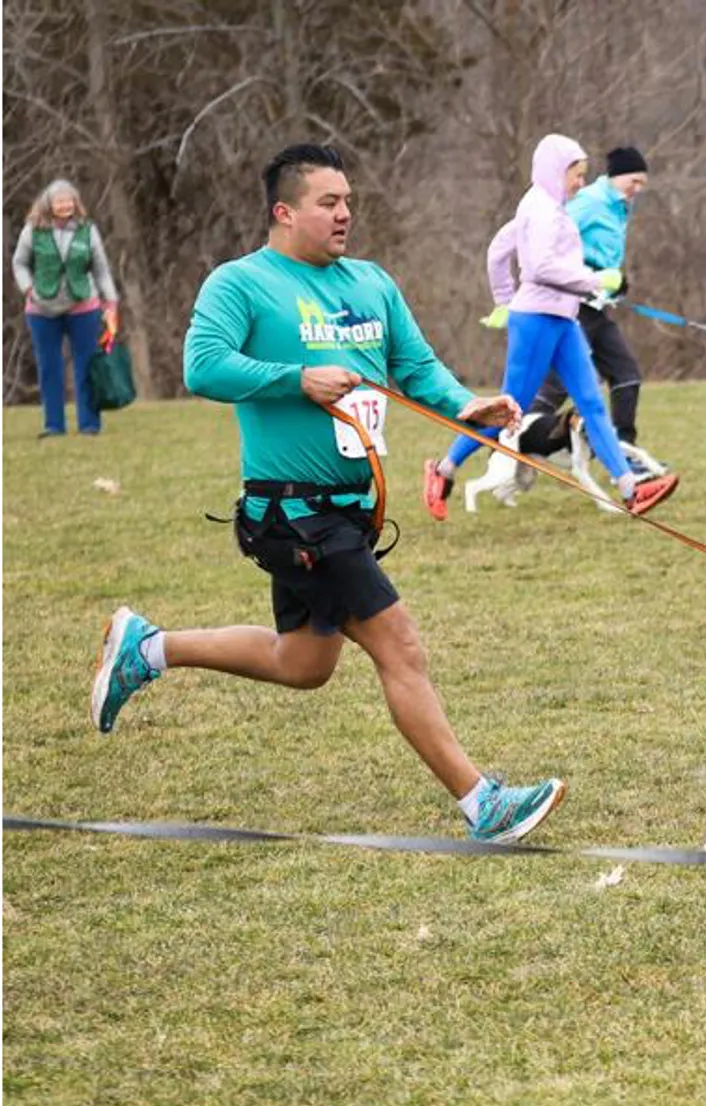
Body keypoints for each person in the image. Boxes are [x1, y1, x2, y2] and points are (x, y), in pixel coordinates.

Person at [90, 143, 566, 843]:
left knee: (303, 664)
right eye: (328, 202)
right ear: (284, 211)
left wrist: (467, 405)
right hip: (291, 511)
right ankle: (482, 804)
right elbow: (204, 367)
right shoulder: (241, 283)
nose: (345, 214)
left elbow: (414, 365)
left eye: (348, 201)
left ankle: (149, 648)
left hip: (351, 511)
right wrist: (297, 377)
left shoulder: (371, 282)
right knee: (400, 646)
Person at [424, 134, 678, 518]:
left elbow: (498, 250)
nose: (580, 182)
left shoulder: (553, 207)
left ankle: (631, 490)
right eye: (575, 174)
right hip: (537, 320)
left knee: (591, 400)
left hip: (563, 317)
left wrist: (503, 299)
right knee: (511, 410)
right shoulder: (540, 209)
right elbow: (540, 268)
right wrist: (595, 281)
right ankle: (443, 470)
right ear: (554, 172)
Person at [522, 144, 668, 475]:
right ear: (615, 177)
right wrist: (586, 273)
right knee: (556, 386)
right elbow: (552, 241)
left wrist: (617, 280)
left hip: (598, 307)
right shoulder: (589, 202)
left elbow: (605, 251)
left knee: (627, 375)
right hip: (573, 305)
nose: (638, 189)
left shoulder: (620, 207)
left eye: (643, 183)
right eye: (634, 181)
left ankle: (624, 453)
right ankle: (513, 444)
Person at [12, 178, 120, 436]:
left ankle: (89, 424)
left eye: (69, 200)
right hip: (42, 310)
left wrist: (111, 301)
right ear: (48, 204)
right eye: (59, 201)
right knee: (49, 367)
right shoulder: (32, 230)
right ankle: (53, 425)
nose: (64, 205)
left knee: (86, 365)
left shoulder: (87, 229)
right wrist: (29, 289)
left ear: (75, 202)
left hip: (83, 306)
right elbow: (20, 263)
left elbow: (101, 268)